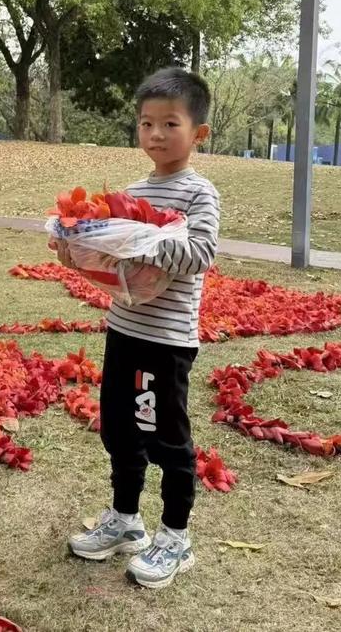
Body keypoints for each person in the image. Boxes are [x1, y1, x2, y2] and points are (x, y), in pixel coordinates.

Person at [63, 66, 220, 589]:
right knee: (119, 430)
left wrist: (146, 238)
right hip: (124, 327)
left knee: (166, 440)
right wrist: (76, 247)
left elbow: (200, 253)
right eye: (146, 123)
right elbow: (111, 264)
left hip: (166, 340)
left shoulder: (199, 194)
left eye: (169, 124)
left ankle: (176, 538)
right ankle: (125, 521)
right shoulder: (129, 191)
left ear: (197, 133)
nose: (155, 134)